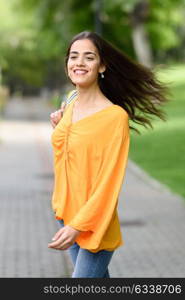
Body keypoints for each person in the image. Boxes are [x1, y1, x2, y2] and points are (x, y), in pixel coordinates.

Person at [48, 31, 169, 278]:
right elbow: (70, 154)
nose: (79, 63)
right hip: (66, 213)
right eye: (74, 56)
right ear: (67, 64)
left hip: (93, 224)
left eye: (89, 57)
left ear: (102, 65)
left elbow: (108, 184)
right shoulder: (70, 102)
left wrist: (77, 226)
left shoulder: (114, 117)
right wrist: (61, 127)